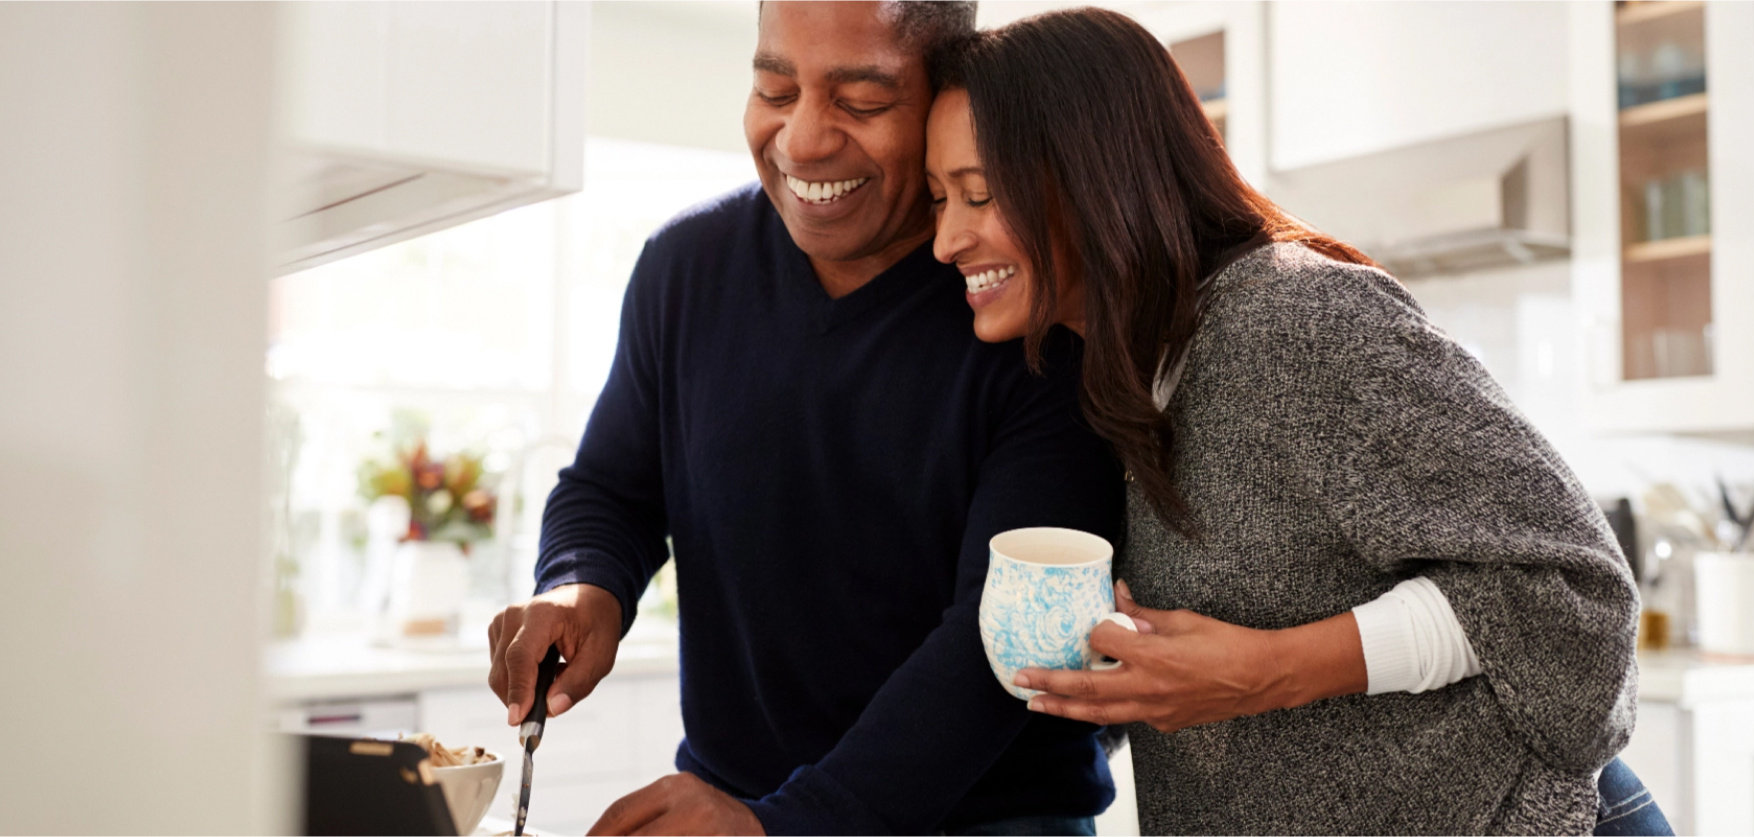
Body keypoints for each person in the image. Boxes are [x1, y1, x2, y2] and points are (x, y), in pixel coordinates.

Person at [925, 9, 1672, 835]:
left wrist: (1267, 670)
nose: (946, 238)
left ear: (1096, 172)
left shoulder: (1294, 318)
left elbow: (1570, 596)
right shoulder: (1113, 373)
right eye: (937, 200)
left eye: (980, 193)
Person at [486, 3, 1125, 835]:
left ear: (945, 98)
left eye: (860, 102)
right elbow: (612, 487)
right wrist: (583, 585)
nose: (804, 141)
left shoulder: (1029, 302)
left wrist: (784, 825)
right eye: (773, 88)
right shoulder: (685, 269)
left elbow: (995, 641)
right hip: (740, 802)